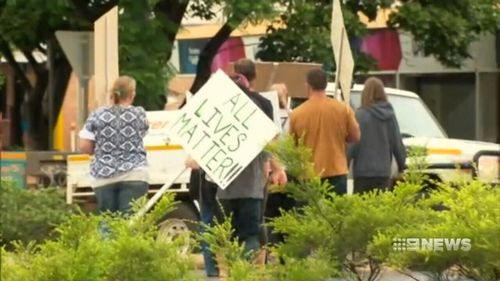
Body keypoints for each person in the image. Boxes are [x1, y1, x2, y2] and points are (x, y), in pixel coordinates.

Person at [79, 76, 149, 214]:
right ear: (132, 93)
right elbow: (143, 133)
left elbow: (84, 145)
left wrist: (101, 152)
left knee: (107, 221)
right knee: (130, 222)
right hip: (134, 173)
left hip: (104, 175)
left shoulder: (97, 115)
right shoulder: (139, 114)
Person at [289, 68, 360, 195]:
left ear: (308, 85)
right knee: (336, 213)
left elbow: (292, 147)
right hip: (337, 171)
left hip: (309, 174)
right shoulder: (343, 109)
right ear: (326, 85)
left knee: (310, 214)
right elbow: (355, 136)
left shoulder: (296, 114)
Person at [348, 77, 406, 194]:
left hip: (362, 173)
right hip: (383, 173)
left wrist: (345, 165)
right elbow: (396, 143)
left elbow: (352, 145)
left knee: (361, 209)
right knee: (381, 209)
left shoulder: (360, 115)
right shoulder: (389, 115)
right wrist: (401, 166)